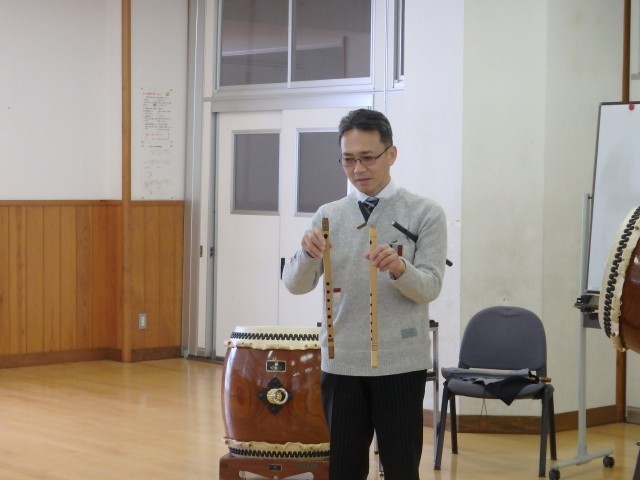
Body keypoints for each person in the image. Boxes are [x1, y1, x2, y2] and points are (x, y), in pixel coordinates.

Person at [282, 108, 447, 480]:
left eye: (368, 157)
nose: (358, 169)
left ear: (391, 154)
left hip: (400, 362)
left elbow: (430, 287)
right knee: (344, 468)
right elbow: (295, 284)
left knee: (401, 467)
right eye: (348, 159)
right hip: (341, 361)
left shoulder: (425, 213)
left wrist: (400, 268)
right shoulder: (328, 215)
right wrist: (306, 254)